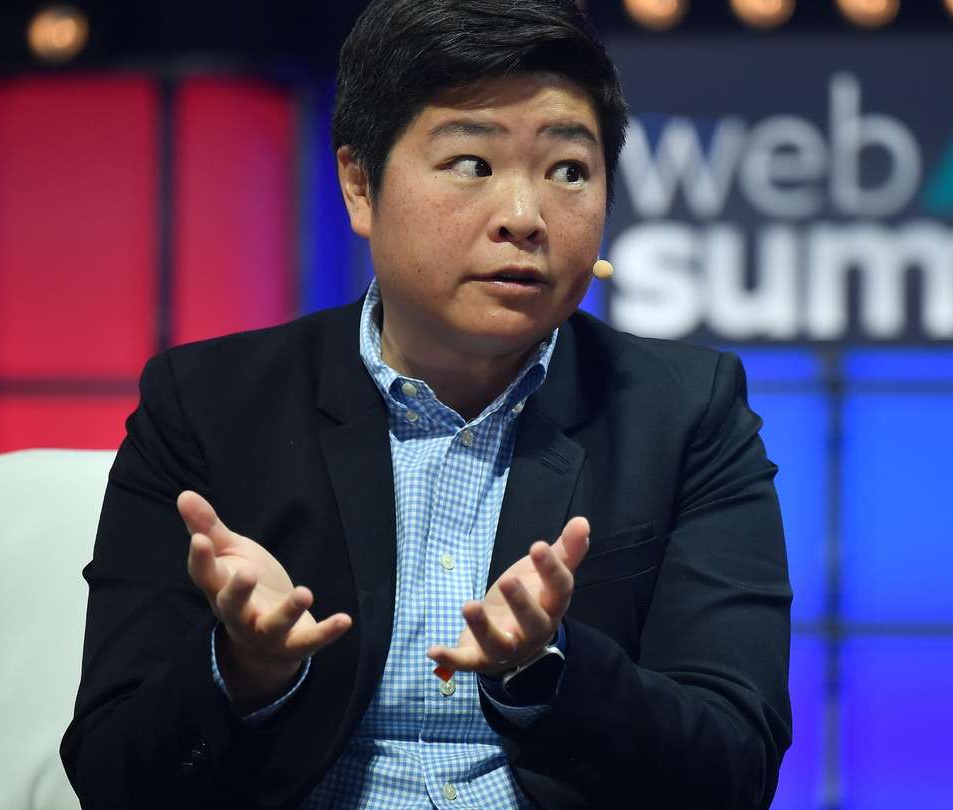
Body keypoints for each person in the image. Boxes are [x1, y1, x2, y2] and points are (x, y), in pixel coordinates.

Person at [60, 1, 792, 807]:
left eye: (569, 171)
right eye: (472, 164)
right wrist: (245, 669)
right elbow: (111, 773)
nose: (525, 217)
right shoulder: (206, 404)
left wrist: (548, 670)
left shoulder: (688, 412)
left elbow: (734, 766)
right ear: (359, 186)